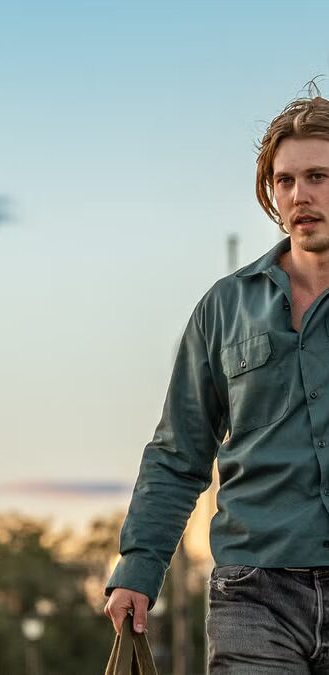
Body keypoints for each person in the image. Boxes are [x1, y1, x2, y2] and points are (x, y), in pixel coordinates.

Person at [104, 89, 329, 671]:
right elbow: (178, 453)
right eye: (284, 181)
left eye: (318, 177)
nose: (299, 195)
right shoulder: (224, 308)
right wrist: (139, 566)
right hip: (255, 593)